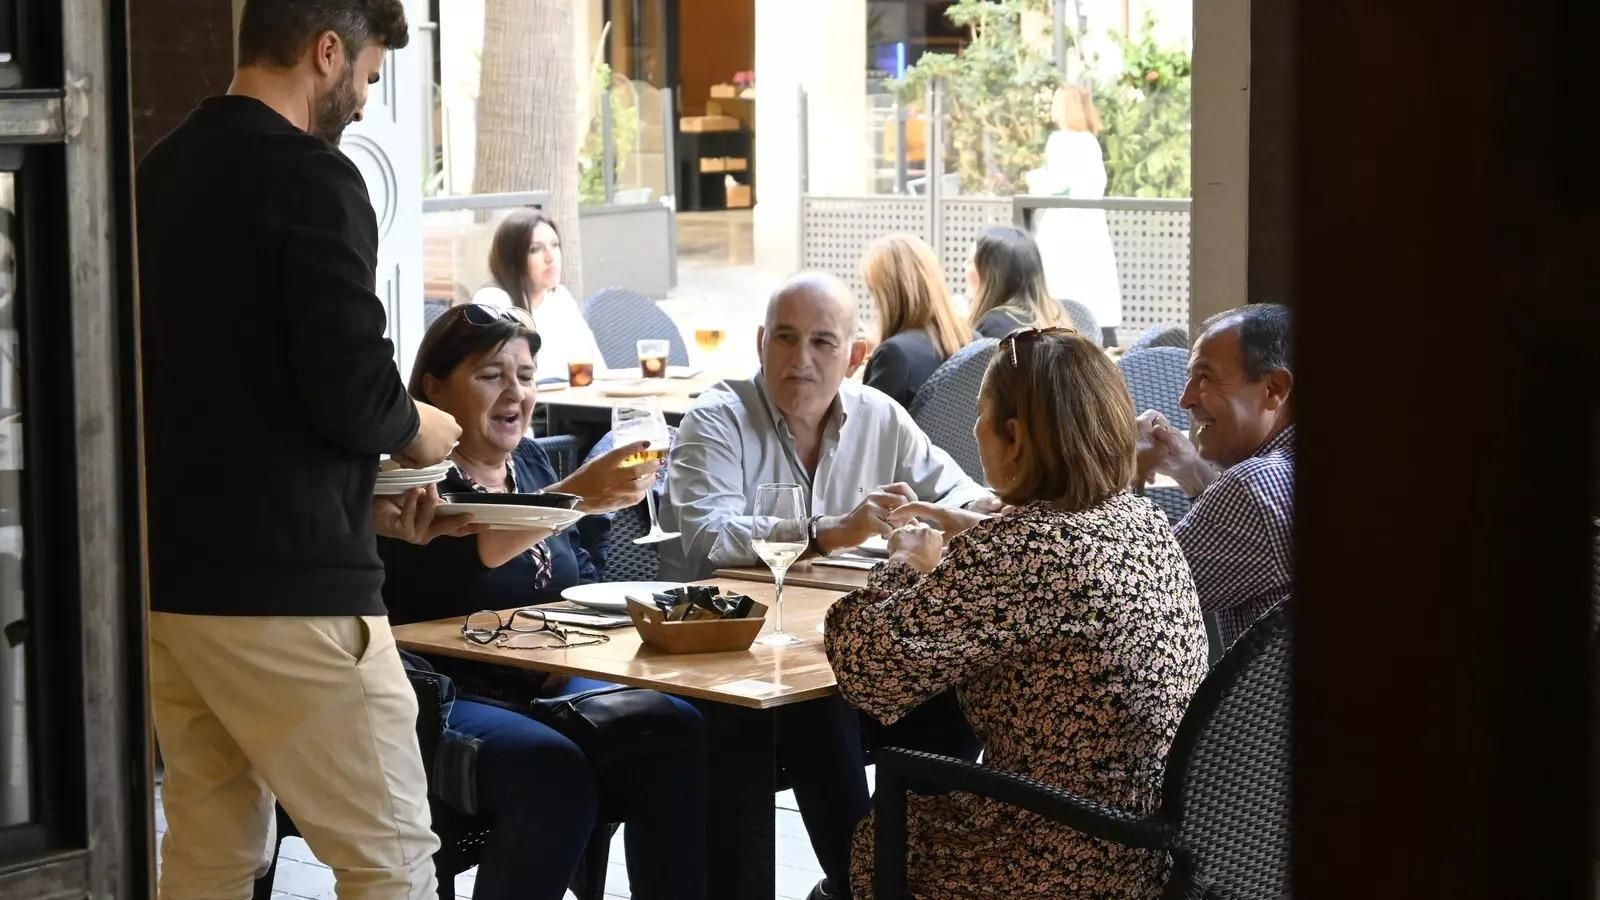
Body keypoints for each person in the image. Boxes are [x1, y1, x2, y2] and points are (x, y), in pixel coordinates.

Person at [138, 3, 465, 897]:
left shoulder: (155, 174)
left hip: (171, 584)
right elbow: (353, 387)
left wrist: (356, 491)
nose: (362, 102)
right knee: (390, 856)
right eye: (363, 76)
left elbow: (216, 399)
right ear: (327, 51)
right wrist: (418, 430)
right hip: (292, 591)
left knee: (209, 854)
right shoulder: (315, 180)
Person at [825, 327, 1208, 898]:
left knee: (882, 826)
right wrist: (977, 527)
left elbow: (866, 666)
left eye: (980, 415)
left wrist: (904, 560)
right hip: (1155, 850)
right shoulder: (1140, 522)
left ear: (1015, 435)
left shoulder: (1021, 554)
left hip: (1056, 859)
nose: (974, 430)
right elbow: (1049, 576)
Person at [661, 272, 996, 900]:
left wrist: (970, 515)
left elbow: (966, 498)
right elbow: (708, 535)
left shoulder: (882, 419)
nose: (800, 359)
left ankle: (909, 867)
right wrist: (828, 531)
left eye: (822, 342)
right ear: (760, 342)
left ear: (856, 354)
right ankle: (861, 882)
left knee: (961, 689)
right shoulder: (718, 418)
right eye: (785, 338)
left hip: (835, 645)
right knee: (824, 703)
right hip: (729, 655)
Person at [377, 305, 707, 900]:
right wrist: (581, 491)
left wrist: (591, 512)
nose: (515, 392)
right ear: (433, 389)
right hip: (442, 695)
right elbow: (480, 551)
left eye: (525, 376)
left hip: (542, 679)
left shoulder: (529, 462)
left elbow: (572, 574)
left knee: (673, 728)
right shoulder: (414, 478)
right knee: (555, 773)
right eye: (490, 375)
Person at [1135, 303, 1295, 647]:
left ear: (1274, 389)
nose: (1184, 399)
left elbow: (1126, 597)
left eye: (1204, 377)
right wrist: (1193, 471)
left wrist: (1127, 472)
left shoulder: (1253, 489)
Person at [1026, 84, 1123, 345]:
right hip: (1090, 224)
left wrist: (1033, 178)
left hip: (1063, 225)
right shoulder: (1090, 141)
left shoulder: (1060, 140)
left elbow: (1056, 183)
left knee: (1060, 287)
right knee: (1090, 283)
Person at [470, 209, 603, 379]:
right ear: (512, 260)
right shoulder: (494, 301)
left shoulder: (561, 298)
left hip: (572, 401)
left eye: (554, 245)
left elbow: (596, 368)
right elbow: (499, 380)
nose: (550, 257)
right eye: (535, 249)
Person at [859, 234, 972, 408]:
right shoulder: (972, 340)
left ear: (887, 296)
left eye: (874, 293)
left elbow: (863, 428)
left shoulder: (894, 356)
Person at [965, 225, 1074, 340]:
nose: (965, 267)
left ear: (991, 275)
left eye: (970, 261)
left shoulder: (994, 325)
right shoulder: (1056, 316)